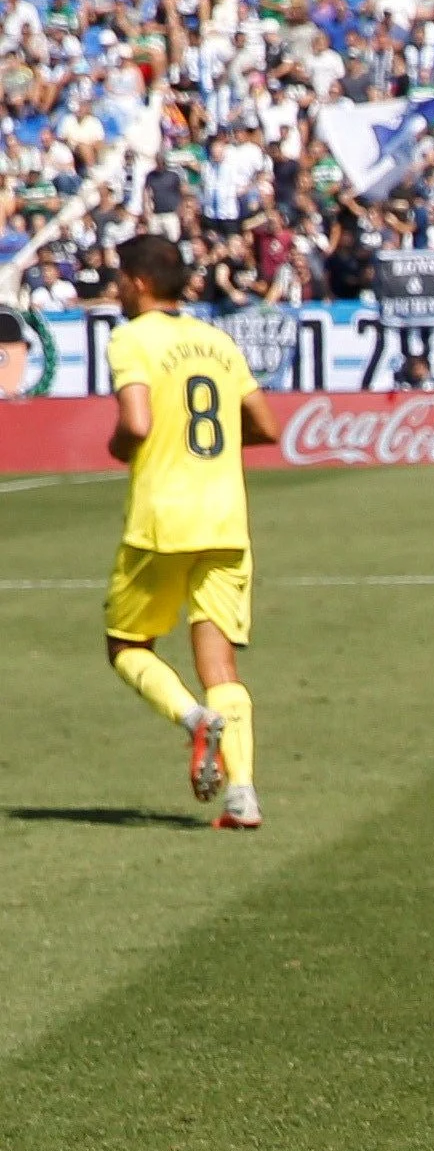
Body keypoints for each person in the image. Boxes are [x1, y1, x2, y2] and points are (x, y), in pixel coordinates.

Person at [100, 233, 279, 828]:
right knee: (220, 667)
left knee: (127, 647)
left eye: (119, 278)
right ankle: (243, 795)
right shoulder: (216, 341)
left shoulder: (131, 338)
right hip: (226, 520)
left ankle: (190, 718)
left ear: (140, 282)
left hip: (162, 519)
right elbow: (265, 426)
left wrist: (120, 443)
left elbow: (136, 421)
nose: (116, 288)